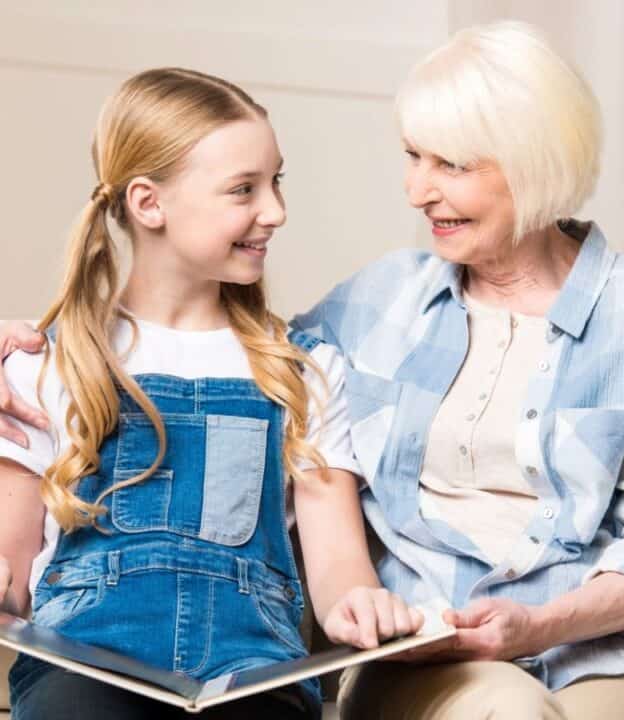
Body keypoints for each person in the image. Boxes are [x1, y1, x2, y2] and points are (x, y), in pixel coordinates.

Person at [2, 22, 624, 720]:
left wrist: (528, 623)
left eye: (451, 165)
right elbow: (16, 553)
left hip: (591, 648)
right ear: (146, 203)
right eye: (413, 156)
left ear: (531, 165)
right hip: (415, 655)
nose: (417, 191)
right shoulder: (375, 305)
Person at [0, 67, 422, 720]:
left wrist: (359, 603)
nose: (275, 211)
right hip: (82, 667)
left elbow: (339, 565)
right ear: (149, 204)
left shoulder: (303, 372)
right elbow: (12, 562)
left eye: (276, 181)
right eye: (243, 190)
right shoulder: (47, 364)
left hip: (253, 676)